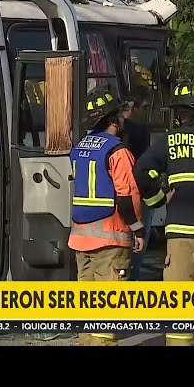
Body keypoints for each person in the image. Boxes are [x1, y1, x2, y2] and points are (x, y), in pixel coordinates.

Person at [134, 82, 194, 346]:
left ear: (181, 114)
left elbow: (142, 172)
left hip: (180, 233)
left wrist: (159, 199)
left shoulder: (169, 141)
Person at [68, 90, 144, 346]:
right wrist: (138, 228)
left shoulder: (79, 148)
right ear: (114, 120)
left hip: (80, 239)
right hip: (111, 240)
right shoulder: (118, 151)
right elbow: (127, 196)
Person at [121, 94, 154, 280]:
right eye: (145, 107)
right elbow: (144, 166)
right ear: (134, 108)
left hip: (119, 194)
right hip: (136, 194)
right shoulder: (140, 131)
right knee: (139, 241)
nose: (147, 112)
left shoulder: (110, 131)